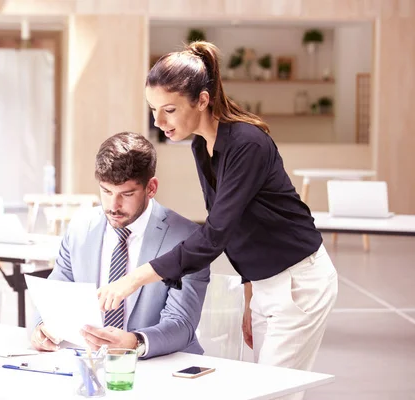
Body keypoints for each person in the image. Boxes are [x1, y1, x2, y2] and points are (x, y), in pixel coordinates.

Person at [97, 42, 338, 397]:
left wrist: (134, 278)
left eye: (169, 110)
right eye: (153, 109)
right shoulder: (201, 146)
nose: (158, 122)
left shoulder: (247, 143)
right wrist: (250, 296)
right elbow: (234, 226)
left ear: (203, 100)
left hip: (298, 283)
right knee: (264, 389)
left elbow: (215, 235)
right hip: (266, 284)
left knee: (273, 393)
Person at [31, 132, 210, 359]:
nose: (113, 206)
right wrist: (42, 328)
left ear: (151, 188)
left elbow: (182, 323)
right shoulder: (79, 228)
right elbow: (55, 294)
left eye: (126, 194)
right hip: (88, 363)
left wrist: (135, 342)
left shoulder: (187, 239)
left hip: (163, 366)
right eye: (106, 191)